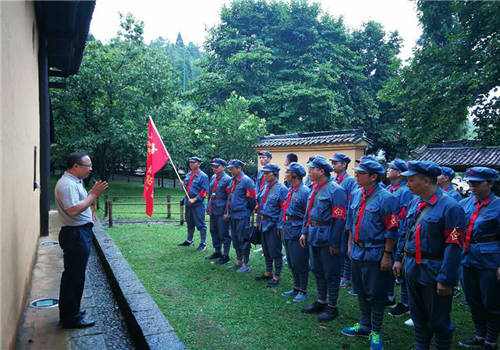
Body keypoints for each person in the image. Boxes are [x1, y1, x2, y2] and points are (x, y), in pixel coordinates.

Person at [393, 161, 467, 350]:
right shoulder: (415, 202)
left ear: (426, 180)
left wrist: (446, 278)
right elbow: (405, 232)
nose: (407, 183)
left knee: (438, 319)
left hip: (433, 270)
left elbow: (454, 245)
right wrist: (397, 259)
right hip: (412, 266)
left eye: (411, 180)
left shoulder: (450, 207)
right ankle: (421, 345)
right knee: (418, 314)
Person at [341, 158, 398, 350]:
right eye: (357, 172)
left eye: (361, 173)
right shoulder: (357, 194)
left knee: (376, 293)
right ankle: (364, 325)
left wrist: (387, 254)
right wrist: (349, 245)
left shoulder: (386, 198)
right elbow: (350, 223)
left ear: (373, 177)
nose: (356, 175)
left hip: (375, 252)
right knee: (361, 291)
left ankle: (376, 331)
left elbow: (391, 229)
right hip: (357, 250)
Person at [54, 152, 108, 328]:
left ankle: (72, 309)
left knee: (75, 275)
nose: (90, 169)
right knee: (73, 276)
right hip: (75, 234)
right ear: (76, 166)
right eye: (88, 165)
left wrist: (92, 195)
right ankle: (70, 317)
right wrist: (93, 195)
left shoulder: (74, 182)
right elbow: (72, 210)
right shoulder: (67, 185)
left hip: (79, 232)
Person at [300, 157, 347, 322]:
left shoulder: (336, 190)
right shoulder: (314, 188)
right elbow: (308, 212)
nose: (309, 172)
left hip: (327, 237)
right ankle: (321, 301)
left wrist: (334, 242)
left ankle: (332, 306)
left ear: (321, 171)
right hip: (313, 234)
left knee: (331, 273)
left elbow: (339, 219)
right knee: (317, 270)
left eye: (312, 169)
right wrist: (304, 232)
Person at [457, 167, 500, 350]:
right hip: (467, 257)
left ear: (490, 183)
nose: (472, 186)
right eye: (470, 182)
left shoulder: (498, 206)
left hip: (490, 259)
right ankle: (479, 335)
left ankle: (491, 340)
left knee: (491, 300)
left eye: (477, 183)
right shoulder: (466, 203)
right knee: (473, 299)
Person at [386, 159, 415, 317]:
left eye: (392, 168)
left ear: (399, 172)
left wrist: (400, 234)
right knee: (390, 266)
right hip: (388, 232)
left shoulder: (405, 191)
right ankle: (389, 296)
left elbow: (403, 216)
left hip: (398, 233)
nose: (388, 170)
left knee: (401, 268)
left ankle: (405, 303)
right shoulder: (389, 188)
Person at [281, 162, 311, 302]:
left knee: (300, 262)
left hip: (297, 229)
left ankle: (303, 290)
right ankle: (296, 287)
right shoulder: (291, 189)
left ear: (294, 175)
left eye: (287, 172)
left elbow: (308, 214)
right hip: (287, 228)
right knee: (292, 262)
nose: (285, 174)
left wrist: (304, 232)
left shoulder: (305, 192)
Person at [254, 164, 288, 287]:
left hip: (274, 224)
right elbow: (261, 201)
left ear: (274, 173)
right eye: (264, 173)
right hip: (263, 222)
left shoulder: (282, 189)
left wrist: (279, 226)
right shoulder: (265, 187)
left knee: (275, 251)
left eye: (267, 173)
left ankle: (276, 276)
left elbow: (283, 209)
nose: (265, 175)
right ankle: (268, 272)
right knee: (266, 249)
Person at [329, 153, 358, 290]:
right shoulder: (335, 180)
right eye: (333, 163)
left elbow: (351, 202)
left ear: (344, 164)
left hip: (344, 218)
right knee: (336, 247)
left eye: (336, 163)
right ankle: (339, 273)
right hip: (334, 218)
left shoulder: (350, 181)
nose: (333, 165)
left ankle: (346, 277)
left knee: (345, 249)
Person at [225, 160, 256, 273]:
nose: (230, 170)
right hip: (233, 214)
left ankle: (245, 263)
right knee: (235, 238)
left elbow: (252, 200)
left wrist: (246, 210)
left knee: (243, 239)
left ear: (239, 169)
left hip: (242, 214)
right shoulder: (232, 180)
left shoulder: (247, 181)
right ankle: (238, 260)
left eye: (232, 168)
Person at [178, 157, 210, 251]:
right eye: (190, 162)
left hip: (197, 204)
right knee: (190, 223)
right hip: (188, 203)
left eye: (193, 162)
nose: (191, 164)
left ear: (199, 164)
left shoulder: (203, 176)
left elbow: (205, 191)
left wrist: (195, 199)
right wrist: (183, 185)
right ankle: (189, 240)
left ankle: (203, 243)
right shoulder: (188, 175)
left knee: (201, 224)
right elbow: (188, 189)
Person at [205, 158, 232, 265]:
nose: (214, 168)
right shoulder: (213, 177)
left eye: (217, 166)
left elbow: (230, 197)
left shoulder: (228, 179)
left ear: (224, 167)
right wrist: (208, 206)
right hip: (214, 209)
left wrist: (227, 212)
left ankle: (226, 255)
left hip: (222, 209)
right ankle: (217, 252)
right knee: (213, 231)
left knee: (223, 233)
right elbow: (210, 194)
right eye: (213, 166)